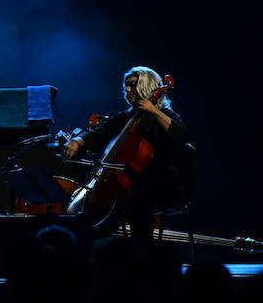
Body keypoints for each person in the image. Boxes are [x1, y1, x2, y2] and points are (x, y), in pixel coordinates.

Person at [62, 66, 189, 244]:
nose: (127, 89)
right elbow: (99, 134)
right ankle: (96, 246)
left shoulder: (165, 114)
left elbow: (180, 135)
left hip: (160, 181)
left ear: (146, 86)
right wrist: (77, 141)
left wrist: (153, 110)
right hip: (128, 184)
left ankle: (136, 252)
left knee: (135, 199)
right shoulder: (128, 116)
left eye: (132, 85)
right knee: (119, 199)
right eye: (126, 85)